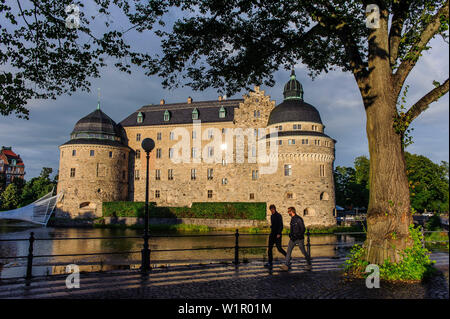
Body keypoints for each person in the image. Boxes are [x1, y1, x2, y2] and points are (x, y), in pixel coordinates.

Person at [280, 207, 311, 271]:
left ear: (292, 211)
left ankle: (309, 264)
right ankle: (286, 265)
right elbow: (292, 229)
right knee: (288, 251)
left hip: (299, 239)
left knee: (303, 252)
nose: (288, 213)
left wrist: (297, 236)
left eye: (289, 211)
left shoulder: (298, 219)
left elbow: (303, 229)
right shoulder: (292, 219)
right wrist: (290, 235)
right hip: (293, 238)